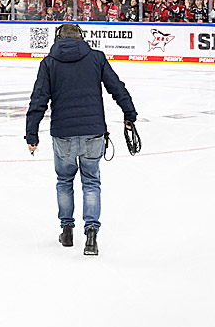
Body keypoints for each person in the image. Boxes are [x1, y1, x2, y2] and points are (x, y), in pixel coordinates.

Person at [25, 23, 138, 256]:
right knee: (91, 182)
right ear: (81, 37)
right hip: (93, 133)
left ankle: (66, 231)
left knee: (64, 181)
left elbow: (38, 100)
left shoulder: (48, 63)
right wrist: (129, 114)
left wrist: (32, 135)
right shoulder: (96, 58)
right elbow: (117, 88)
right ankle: (91, 236)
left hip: (63, 134)